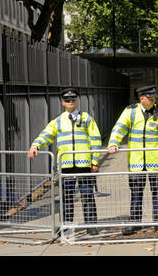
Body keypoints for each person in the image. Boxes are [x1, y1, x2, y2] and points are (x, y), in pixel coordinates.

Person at [28, 88, 101, 236]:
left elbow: (95, 139)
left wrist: (94, 161)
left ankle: (91, 226)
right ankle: (67, 226)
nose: (70, 102)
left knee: (87, 196)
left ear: (77, 100)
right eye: (67, 100)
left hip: (84, 164)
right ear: (62, 102)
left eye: (73, 99)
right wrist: (35, 145)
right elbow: (46, 134)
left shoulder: (87, 118)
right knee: (66, 197)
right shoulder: (58, 120)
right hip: (66, 165)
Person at [107, 85, 158, 236]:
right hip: (137, 161)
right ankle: (135, 223)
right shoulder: (131, 111)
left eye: (154, 97)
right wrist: (114, 142)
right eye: (150, 97)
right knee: (136, 193)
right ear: (141, 98)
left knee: (157, 192)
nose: (153, 100)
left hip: (157, 160)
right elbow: (119, 127)